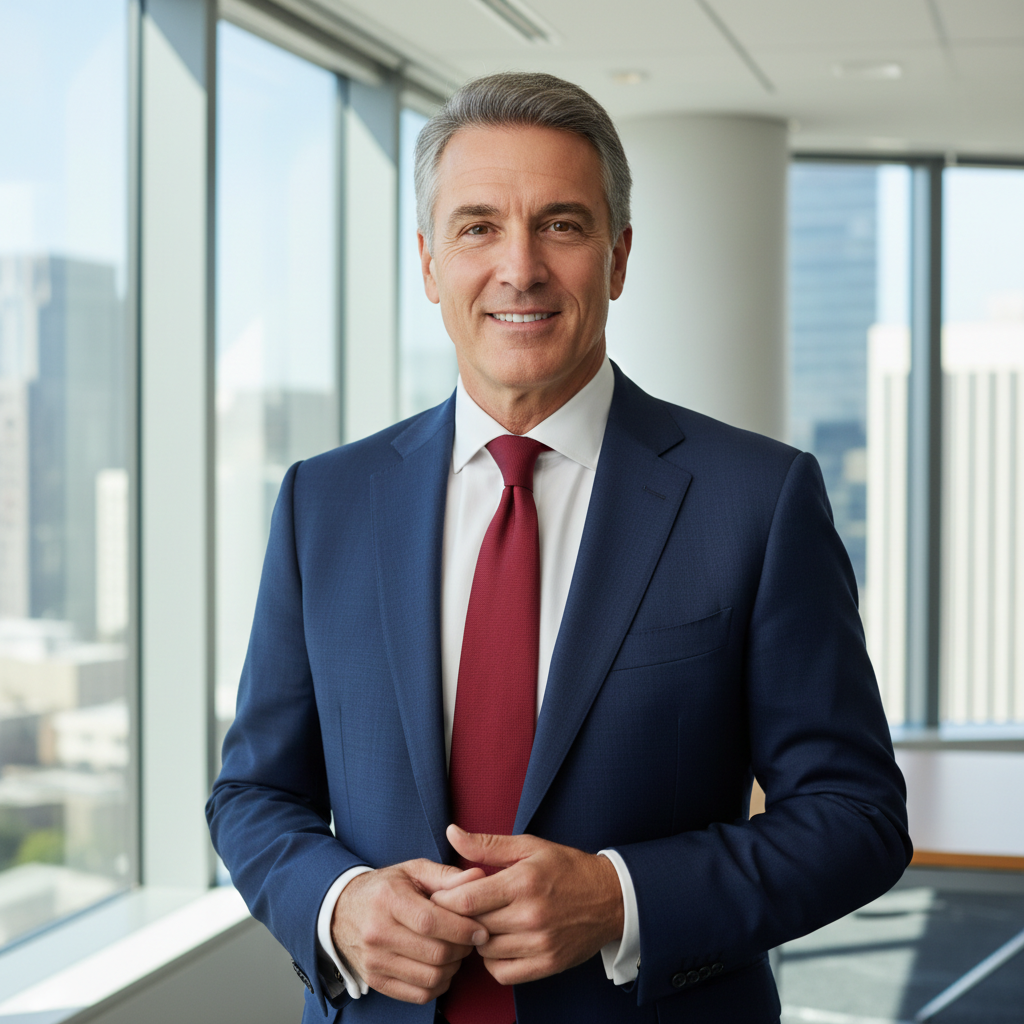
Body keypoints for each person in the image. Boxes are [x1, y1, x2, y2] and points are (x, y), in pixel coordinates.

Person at [207, 72, 911, 1024]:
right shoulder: (321, 503)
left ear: (617, 258)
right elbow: (253, 793)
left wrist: (622, 898)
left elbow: (856, 816)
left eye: (562, 225)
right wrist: (337, 904)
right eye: (478, 227)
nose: (521, 267)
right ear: (428, 264)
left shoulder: (757, 498)